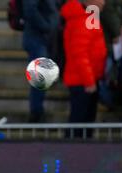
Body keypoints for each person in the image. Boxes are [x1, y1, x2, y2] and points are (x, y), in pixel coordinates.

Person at [61, 0, 107, 137]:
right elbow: (80, 54)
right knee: (80, 124)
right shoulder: (83, 20)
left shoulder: (87, 19)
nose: (103, 3)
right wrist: (89, 81)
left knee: (83, 123)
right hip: (83, 81)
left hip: (87, 79)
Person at [22, 0, 59, 123]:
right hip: (37, 37)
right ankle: (36, 112)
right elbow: (30, 10)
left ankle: (37, 111)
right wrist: (46, 26)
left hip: (46, 37)